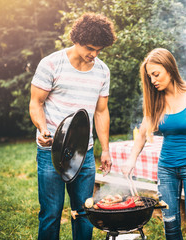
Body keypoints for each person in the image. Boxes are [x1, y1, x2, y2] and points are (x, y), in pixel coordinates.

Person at [29, 13, 116, 240]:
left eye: (99, 50)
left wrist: (105, 149)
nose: (94, 54)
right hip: (52, 152)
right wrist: (42, 129)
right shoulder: (50, 64)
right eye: (89, 48)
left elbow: (101, 111)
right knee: (51, 213)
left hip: (84, 153)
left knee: (85, 212)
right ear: (75, 39)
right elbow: (36, 103)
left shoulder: (102, 70)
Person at [122, 48, 186, 240]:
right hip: (166, 169)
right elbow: (141, 135)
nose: (153, 80)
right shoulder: (155, 101)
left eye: (156, 74)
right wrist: (131, 159)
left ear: (170, 69)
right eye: (150, 77)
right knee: (170, 226)